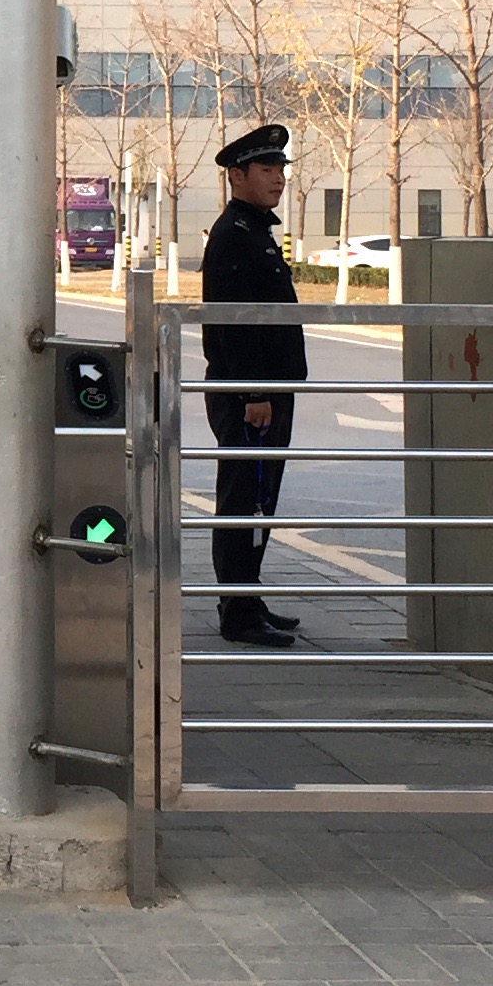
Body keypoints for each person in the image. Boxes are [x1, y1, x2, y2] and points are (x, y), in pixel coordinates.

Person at [199, 123, 306, 646]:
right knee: (244, 499)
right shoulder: (234, 235)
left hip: (268, 390)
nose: (277, 178)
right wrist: (254, 393)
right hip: (250, 395)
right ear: (236, 176)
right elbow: (233, 323)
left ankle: (246, 594)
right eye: (266, 169)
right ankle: (237, 612)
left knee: (260, 498)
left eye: (281, 169)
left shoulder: (256, 230)